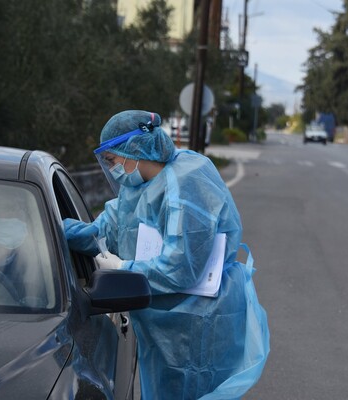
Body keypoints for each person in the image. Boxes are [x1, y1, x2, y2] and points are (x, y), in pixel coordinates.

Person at [63, 110, 269, 399]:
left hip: (198, 319)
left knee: (193, 388)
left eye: (112, 160)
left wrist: (124, 266)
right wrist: (50, 227)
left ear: (133, 148)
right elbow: (99, 233)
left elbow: (182, 266)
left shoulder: (187, 182)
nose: (111, 170)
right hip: (159, 324)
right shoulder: (131, 192)